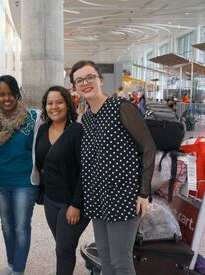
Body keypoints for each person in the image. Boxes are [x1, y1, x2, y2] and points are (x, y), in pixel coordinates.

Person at [69, 60, 156, 275]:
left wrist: (143, 193)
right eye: (79, 80)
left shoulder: (122, 107)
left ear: (101, 79)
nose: (85, 83)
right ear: (74, 87)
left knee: (120, 261)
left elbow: (148, 148)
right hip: (97, 195)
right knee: (105, 258)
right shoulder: (87, 118)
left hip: (123, 195)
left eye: (90, 77)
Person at [0, 75, 42, 275]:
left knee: (20, 226)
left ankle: (18, 270)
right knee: (6, 226)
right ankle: (11, 264)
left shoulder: (34, 117)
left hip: (24, 182)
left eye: (10, 93)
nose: (6, 98)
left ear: (17, 94)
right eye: (2, 94)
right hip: (0, 181)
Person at [35, 86, 90, 275]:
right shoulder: (42, 130)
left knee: (63, 249)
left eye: (59, 102)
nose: (54, 107)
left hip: (73, 202)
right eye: (49, 103)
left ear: (68, 104)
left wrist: (76, 204)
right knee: (63, 245)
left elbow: (86, 170)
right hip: (51, 200)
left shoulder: (78, 131)